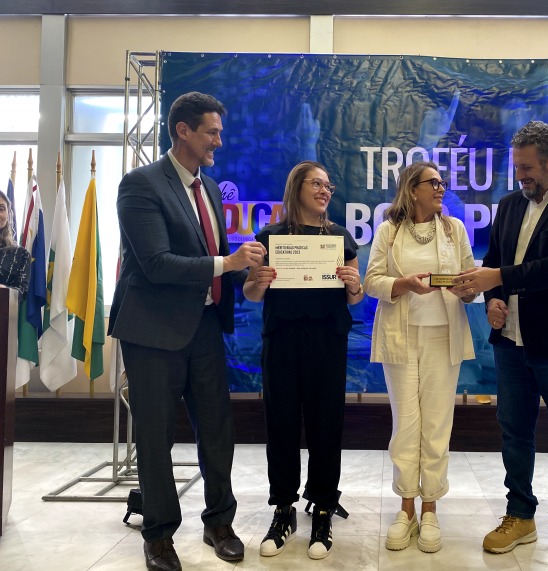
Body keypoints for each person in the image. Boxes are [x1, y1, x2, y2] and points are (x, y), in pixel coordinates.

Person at [108, 92, 266, 571]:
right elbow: (156, 263)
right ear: (183, 130)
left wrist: (247, 273)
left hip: (204, 326)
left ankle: (219, 524)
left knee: (217, 430)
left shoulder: (210, 188)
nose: (219, 140)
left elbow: (209, 258)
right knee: (156, 437)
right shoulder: (140, 184)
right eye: (212, 132)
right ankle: (158, 536)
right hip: (152, 332)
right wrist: (228, 262)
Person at [452, 121, 548, 571]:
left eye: (527, 168)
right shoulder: (509, 205)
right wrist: (493, 299)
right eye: (516, 167)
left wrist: (499, 278)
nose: (519, 176)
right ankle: (520, 515)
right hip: (511, 342)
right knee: (514, 432)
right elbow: (494, 262)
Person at [243, 160, 363, 561]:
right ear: (297, 188)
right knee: (281, 425)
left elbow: (355, 298)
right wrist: (259, 283)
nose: (325, 190)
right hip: (282, 340)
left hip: (327, 341)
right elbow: (250, 293)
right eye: (317, 183)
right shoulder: (270, 237)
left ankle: (323, 509)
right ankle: (283, 509)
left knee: (326, 425)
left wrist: (354, 285)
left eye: (328, 185)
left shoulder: (340, 237)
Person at [364, 161, 476, 553]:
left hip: (443, 336)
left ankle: (430, 508)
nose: (441, 188)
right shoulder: (389, 230)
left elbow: (470, 280)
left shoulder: (454, 229)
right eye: (433, 183)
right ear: (412, 189)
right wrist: (403, 284)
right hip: (401, 337)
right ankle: (406, 507)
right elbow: (371, 281)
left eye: (442, 182)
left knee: (437, 423)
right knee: (406, 424)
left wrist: (469, 289)